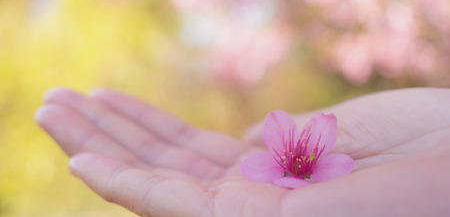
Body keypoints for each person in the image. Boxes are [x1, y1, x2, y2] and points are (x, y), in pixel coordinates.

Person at [35, 87, 450, 216]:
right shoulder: (270, 163)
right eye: (296, 159)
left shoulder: (330, 162)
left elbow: (333, 160)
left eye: (302, 160)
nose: (300, 160)